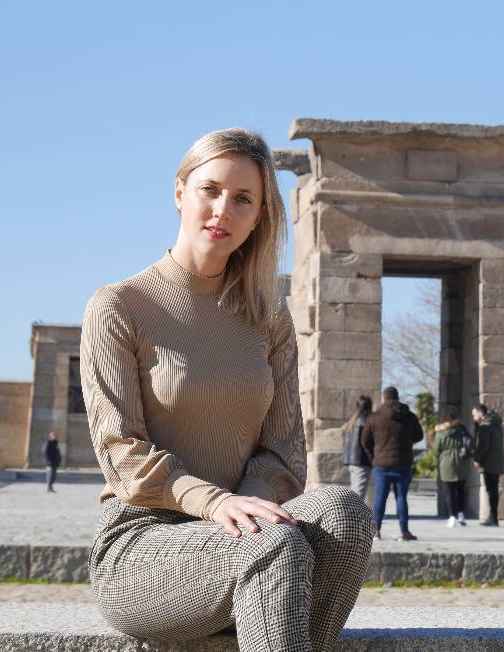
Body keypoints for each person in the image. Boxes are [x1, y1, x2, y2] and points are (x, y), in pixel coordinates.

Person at [81, 128, 374, 650]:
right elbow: (120, 453)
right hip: (144, 544)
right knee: (274, 544)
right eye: (210, 190)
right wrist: (216, 504)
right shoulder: (119, 307)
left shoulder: (269, 319)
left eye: (243, 199)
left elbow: (284, 451)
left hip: (244, 534)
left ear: (259, 216)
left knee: (343, 513)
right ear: (179, 191)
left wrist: (249, 505)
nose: (223, 209)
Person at [361, 386, 424, 541]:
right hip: (403, 464)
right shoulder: (409, 416)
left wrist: (374, 456)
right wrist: (407, 440)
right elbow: (419, 436)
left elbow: (365, 441)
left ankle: (376, 531)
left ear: (384, 397)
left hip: (381, 465)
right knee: (401, 497)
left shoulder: (374, 417)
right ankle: (404, 532)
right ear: (397, 397)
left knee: (380, 498)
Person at [433, 405, 473, 527]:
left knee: (449, 491)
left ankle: (452, 516)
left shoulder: (441, 433)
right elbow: (469, 441)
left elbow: (436, 449)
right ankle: (461, 514)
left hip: (446, 462)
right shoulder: (462, 429)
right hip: (462, 461)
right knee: (461, 490)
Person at [472, 403, 504, 526]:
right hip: (496, 461)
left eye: (474, 414)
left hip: (489, 462)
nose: (473, 417)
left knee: (491, 490)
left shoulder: (485, 426)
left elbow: (483, 445)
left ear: (480, 413)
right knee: (493, 490)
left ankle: (493, 518)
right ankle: (493, 517)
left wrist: (477, 459)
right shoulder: (495, 424)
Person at [342, 395, 373, 500]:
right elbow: (366, 443)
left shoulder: (352, 421)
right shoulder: (366, 421)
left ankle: (352, 515)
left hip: (352, 461)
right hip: (362, 461)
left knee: (354, 492)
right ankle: (353, 516)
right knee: (359, 495)